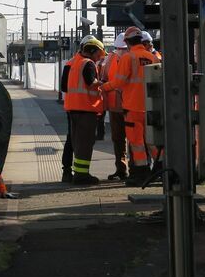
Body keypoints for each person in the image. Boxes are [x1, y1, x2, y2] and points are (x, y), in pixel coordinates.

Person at [100, 26, 158, 186]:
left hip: (132, 107)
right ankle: (160, 168)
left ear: (127, 42)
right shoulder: (152, 58)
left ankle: (141, 173)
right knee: (152, 140)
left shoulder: (128, 58)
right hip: (151, 107)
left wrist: (103, 87)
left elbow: (119, 82)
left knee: (136, 142)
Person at [60, 36, 106, 185]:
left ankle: (70, 172)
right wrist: (105, 84)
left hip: (72, 109)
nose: (99, 58)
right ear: (92, 51)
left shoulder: (71, 63)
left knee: (74, 141)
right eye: (98, 55)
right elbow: (90, 82)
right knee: (85, 144)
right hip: (86, 109)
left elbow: (64, 87)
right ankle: (81, 175)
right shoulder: (88, 64)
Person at [101, 32, 130, 181]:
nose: (122, 51)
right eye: (120, 48)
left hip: (131, 105)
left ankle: (139, 168)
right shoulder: (109, 60)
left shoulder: (132, 59)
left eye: (124, 48)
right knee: (118, 138)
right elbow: (103, 79)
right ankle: (121, 168)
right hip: (115, 107)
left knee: (135, 139)